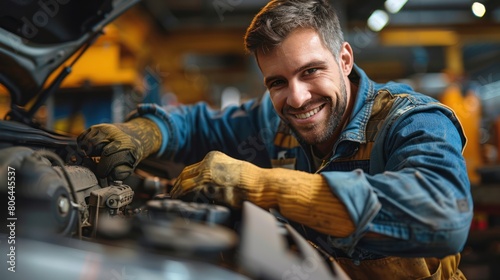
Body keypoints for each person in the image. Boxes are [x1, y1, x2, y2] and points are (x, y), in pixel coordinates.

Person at [77, 0, 473, 278]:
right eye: (278, 82)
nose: (297, 98)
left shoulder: (412, 120)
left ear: (345, 60)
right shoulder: (275, 120)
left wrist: (262, 185)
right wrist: (141, 133)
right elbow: (198, 125)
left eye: (311, 71)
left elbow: (445, 216)